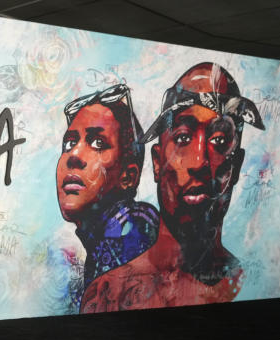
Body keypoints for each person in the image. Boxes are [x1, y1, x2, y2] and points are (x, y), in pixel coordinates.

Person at [80, 62, 264, 313]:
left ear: (237, 166)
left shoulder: (255, 283)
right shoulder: (108, 296)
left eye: (219, 141)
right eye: (183, 138)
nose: (199, 161)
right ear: (157, 163)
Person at [55, 83, 158, 311]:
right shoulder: (106, 238)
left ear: (128, 177)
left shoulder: (130, 230)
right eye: (69, 143)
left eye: (97, 143)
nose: (74, 155)